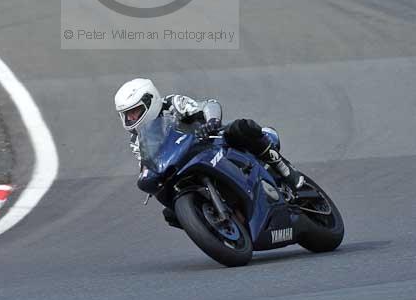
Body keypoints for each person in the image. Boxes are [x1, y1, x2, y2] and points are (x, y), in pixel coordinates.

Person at [115, 78, 304, 226]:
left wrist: (212, 121)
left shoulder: (172, 103)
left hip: (209, 142)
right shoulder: (136, 140)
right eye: (127, 114)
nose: (131, 118)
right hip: (180, 163)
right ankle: (212, 222)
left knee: (242, 128)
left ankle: (284, 169)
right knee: (170, 213)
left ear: (149, 101)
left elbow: (208, 105)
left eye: (135, 111)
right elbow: (147, 162)